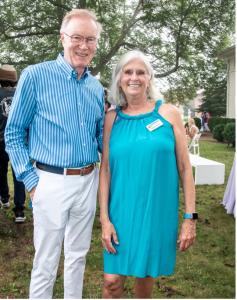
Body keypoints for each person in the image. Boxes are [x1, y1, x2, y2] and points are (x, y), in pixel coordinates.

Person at [5, 9, 104, 299]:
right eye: (76, 37)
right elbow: (14, 133)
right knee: (46, 261)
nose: (83, 46)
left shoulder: (96, 88)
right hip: (49, 180)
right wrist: (30, 181)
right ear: (62, 38)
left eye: (90, 39)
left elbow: (100, 137)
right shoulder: (35, 76)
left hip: (88, 179)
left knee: (78, 256)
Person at [99, 50, 197, 298]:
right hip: (120, 212)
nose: (134, 77)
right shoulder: (112, 118)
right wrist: (104, 220)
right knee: (111, 283)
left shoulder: (169, 114)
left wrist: (189, 218)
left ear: (149, 78)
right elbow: (106, 171)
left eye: (140, 72)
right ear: (119, 78)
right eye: (128, 72)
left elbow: (185, 169)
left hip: (155, 212)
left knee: (144, 282)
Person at [0, 65, 26, 223]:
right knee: (19, 175)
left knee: (1, 172)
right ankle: (19, 211)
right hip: (18, 141)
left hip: (0, 141)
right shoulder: (22, 95)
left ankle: (4, 198)